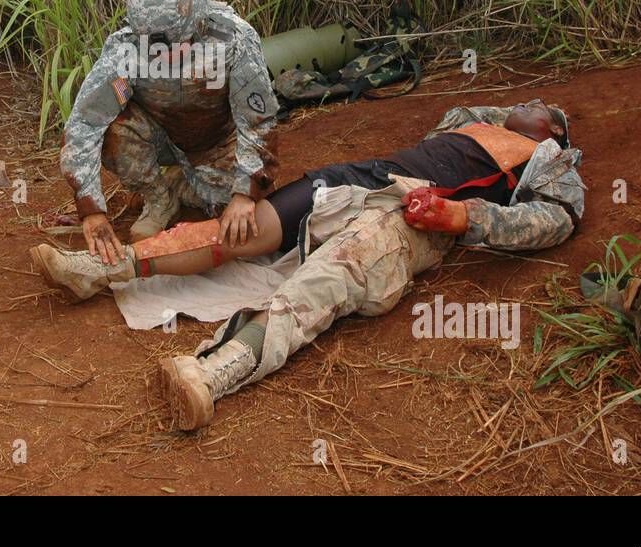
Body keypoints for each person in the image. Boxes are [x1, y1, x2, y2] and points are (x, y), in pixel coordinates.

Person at [35, 99, 582, 429]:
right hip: (363, 176)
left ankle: (214, 373)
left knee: (332, 275)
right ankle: (104, 269)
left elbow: (558, 218)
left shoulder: (548, 160)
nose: (533, 102)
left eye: (545, 109)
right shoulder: (468, 122)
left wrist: (464, 218)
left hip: (415, 210)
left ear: (553, 133)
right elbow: (481, 111)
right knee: (242, 232)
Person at [56, 0, 280, 257]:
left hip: (218, 141)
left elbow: (258, 120)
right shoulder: (126, 51)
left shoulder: (232, 40)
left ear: (199, 22)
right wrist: (90, 209)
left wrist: (245, 192)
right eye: (156, 49)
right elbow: (86, 122)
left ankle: (187, 183)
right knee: (115, 129)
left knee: (241, 217)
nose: (167, 57)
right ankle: (159, 197)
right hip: (161, 137)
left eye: (179, 45)